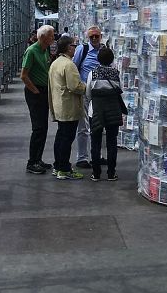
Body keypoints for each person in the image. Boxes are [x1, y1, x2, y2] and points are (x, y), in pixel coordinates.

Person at [49, 34, 87, 179]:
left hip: (59, 105)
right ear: (68, 47)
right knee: (67, 138)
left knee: (61, 136)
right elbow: (74, 86)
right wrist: (86, 87)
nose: (75, 48)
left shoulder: (56, 63)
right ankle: (64, 169)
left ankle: (58, 165)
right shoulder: (69, 65)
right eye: (74, 45)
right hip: (69, 107)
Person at [85, 46, 125, 181]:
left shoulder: (92, 73)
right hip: (113, 111)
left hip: (96, 111)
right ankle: (111, 173)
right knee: (112, 142)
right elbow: (120, 89)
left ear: (98, 59)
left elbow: (88, 93)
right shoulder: (116, 73)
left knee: (95, 142)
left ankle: (96, 173)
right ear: (112, 59)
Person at [20, 25, 55, 174]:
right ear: (42, 37)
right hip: (35, 91)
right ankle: (32, 162)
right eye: (51, 36)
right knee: (38, 127)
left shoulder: (45, 50)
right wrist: (35, 91)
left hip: (43, 90)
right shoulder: (32, 51)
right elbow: (24, 75)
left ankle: (38, 158)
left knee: (43, 127)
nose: (53, 38)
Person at [72, 25, 105, 168]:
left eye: (97, 36)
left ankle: (97, 155)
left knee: (98, 126)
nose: (94, 38)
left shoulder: (104, 50)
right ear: (88, 37)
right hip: (85, 92)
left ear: (101, 36)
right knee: (83, 126)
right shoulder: (82, 49)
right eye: (92, 36)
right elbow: (74, 67)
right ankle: (82, 158)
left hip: (99, 93)